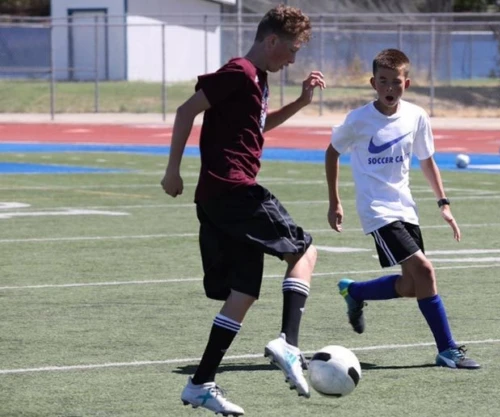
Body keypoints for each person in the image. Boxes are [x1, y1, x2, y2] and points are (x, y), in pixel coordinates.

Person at [161, 5, 325, 415]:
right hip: (233, 190)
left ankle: (200, 383)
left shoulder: (259, 80)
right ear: (271, 41)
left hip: (218, 198)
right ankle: (288, 342)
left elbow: (258, 126)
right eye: (292, 49)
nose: (293, 58)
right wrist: (172, 170)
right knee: (304, 252)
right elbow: (186, 111)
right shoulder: (239, 71)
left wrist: (301, 103)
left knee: (243, 293)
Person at [324, 48, 480, 370]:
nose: (389, 88)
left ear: (405, 84)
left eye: (396, 82)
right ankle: (447, 349)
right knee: (426, 271)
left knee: (412, 285)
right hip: (376, 210)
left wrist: (444, 203)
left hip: (405, 208)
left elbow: (427, 160)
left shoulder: (416, 116)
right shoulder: (358, 120)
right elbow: (331, 153)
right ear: (373, 83)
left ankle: (354, 291)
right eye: (383, 82)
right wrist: (334, 201)